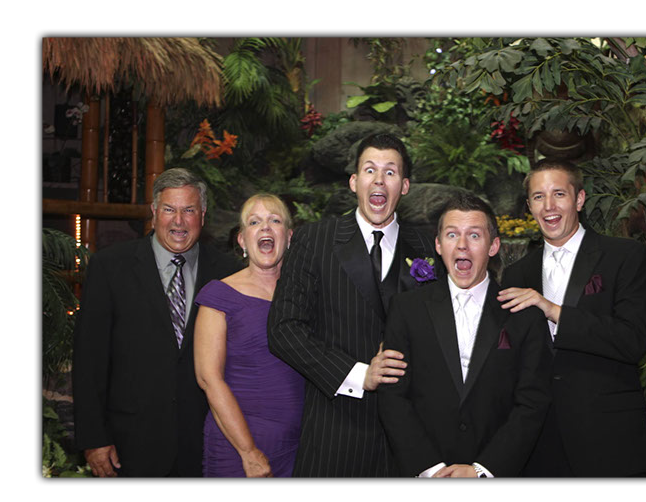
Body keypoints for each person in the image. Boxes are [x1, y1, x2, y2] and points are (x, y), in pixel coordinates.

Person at [267, 133, 442, 477]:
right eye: (370, 170)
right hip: (335, 435)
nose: (379, 180)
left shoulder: (428, 246)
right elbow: (283, 330)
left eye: (390, 172)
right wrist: (360, 375)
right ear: (353, 181)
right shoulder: (315, 239)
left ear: (405, 186)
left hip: (408, 444)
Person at [72, 168, 242, 477]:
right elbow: (89, 360)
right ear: (153, 212)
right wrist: (94, 438)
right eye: (169, 210)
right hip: (130, 445)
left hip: (207, 445)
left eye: (189, 210)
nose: (179, 221)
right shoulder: (110, 267)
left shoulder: (228, 273)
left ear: (202, 215)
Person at [497, 159, 646, 477]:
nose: (549, 206)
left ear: (579, 199)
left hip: (609, 440)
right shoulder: (517, 273)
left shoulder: (624, 256)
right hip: (540, 444)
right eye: (539, 197)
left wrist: (554, 311)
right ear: (529, 206)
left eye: (559, 194)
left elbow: (632, 340)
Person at [377, 192, 552, 477]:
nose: (462, 245)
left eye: (474, 235)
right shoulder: (406, 309)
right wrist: (431, 469)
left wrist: (483, 470)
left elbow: (532, 403)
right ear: (438, 244)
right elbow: (393, 396)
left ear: (493, 246)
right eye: (452, 234)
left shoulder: (524, 315)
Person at [194, 194, 304, 478]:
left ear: (288, 236)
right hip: (239, 448)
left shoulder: (304, 295)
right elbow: (209, 379)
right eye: (254, 222)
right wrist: (248, 452)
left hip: (300, 448)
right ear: (242, 240)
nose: (265, 227)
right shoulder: (219, 295)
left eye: (275, 220)